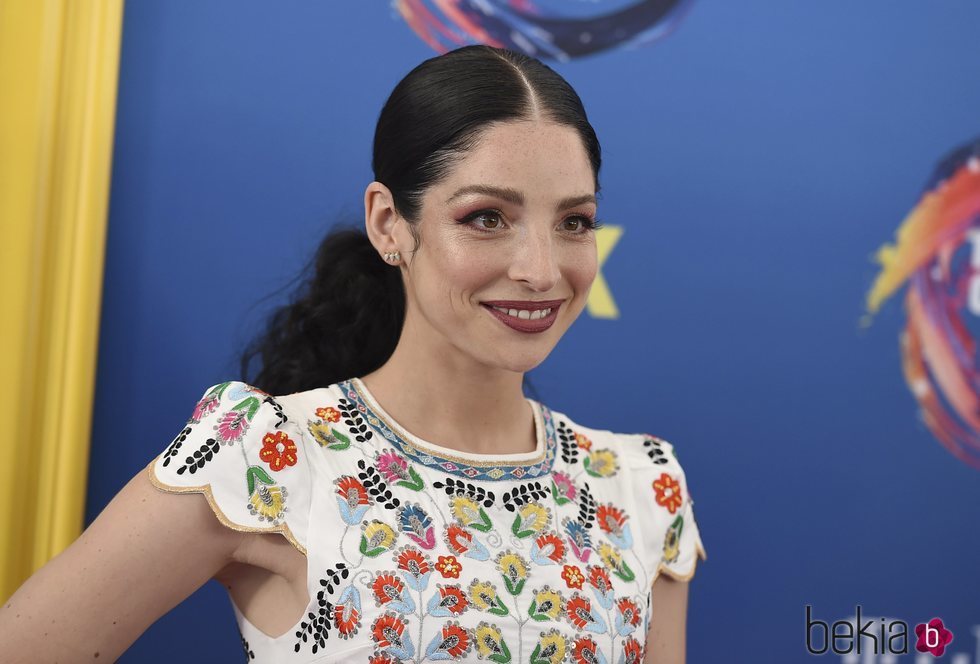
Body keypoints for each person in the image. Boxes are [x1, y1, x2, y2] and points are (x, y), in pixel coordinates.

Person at [0, 44, 706, 663]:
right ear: (389, 224)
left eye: (574, 221)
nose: (541, 270)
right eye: (486, 218)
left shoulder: (640, 487)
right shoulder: (266, 454)